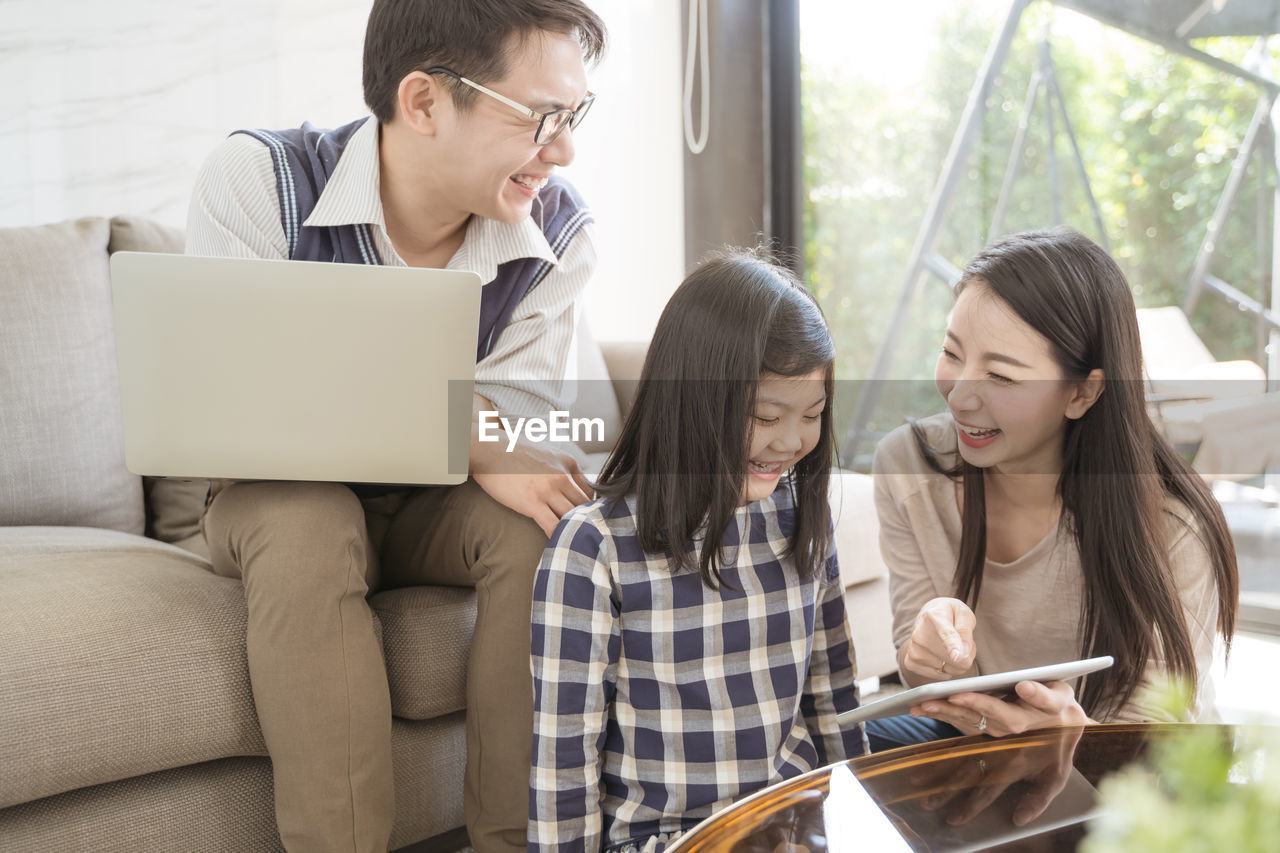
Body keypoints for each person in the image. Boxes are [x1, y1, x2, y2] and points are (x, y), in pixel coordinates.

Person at [184, 1, 607, 850]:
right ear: (422, 102)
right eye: (541, 118)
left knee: (541, 527)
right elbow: (247, 400)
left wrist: (485, 439)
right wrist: (476, 430)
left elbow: (522, 438)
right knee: (308, 522)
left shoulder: (557, 234)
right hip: (279, 494)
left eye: (574, 117)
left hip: (431, 506)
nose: (562, 149)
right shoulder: (259, 181)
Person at [528, 250, 868, 853]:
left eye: (812, 415)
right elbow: (564, 764)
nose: (792, 441)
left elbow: (834, 700)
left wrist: (864, 828)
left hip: (793, 829)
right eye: (766, 416)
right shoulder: (594, 547)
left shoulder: (799, 519)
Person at [867, 227, 1239, 752]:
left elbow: (1161, 731)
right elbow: (926, 687)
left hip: (1128, 766)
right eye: (952, 353)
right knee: (835, 747)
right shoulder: (909, 466)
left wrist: (1073, 738)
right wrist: (922, 657)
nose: (960, 395)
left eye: (1001, 375)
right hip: (981, 741)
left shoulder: (1173, 525)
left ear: (1083, 392)